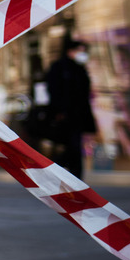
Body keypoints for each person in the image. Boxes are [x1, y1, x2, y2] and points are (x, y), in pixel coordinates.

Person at [45, 39, 97, 180]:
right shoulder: (60, 68)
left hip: (78, 116)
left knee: (74, 148)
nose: (83, 54)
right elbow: (54, 91)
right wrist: (58, 111)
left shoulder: (80, 69)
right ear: (70, 51)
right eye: (80, 51)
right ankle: (56, 172)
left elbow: (84, 97)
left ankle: (74, 178)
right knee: (69, 148)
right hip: (64, 116)